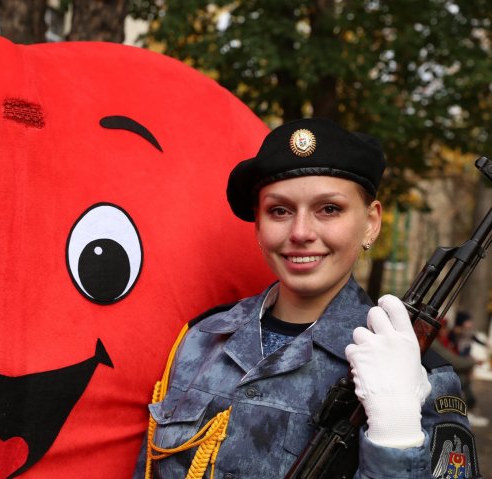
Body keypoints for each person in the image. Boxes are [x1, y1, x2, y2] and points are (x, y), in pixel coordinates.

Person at [134, 118, 480, 478]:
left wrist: (396, 433)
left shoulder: (413, 368)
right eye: (279, 211)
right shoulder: (200, 341)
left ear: (371, 223)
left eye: (329, 209)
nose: (300, 232)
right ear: (258, 225)